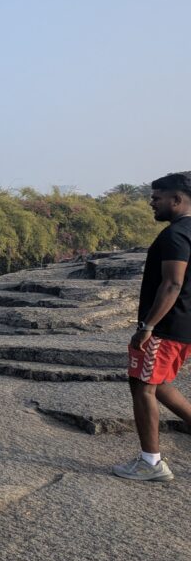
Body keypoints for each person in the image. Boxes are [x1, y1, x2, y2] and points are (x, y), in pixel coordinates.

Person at [113, 172, 191, 482]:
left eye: (157, 198)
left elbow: (172, 284)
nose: (151, 203)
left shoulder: (175, 235)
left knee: (142, 386)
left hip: (165, 326)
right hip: (182, 324)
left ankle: (151, 463)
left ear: (177, 199)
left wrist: (148, 326)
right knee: (157, 383)